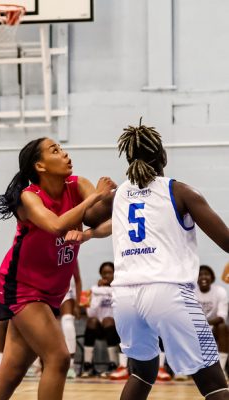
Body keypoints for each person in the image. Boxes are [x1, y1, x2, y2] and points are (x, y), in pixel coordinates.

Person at [86, 120, 229, 400]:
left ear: (129, 160)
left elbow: (88, 217)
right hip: (169, 292)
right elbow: (226, 241)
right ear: (163, 156)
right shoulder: (180, 191)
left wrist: (102, 194)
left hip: (125, 297)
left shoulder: (118, 196)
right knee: (214, 382)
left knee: (143, 371)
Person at [0, 137, 116, 400]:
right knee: (59, 358)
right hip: (21, 287)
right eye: (56, 150)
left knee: (11, 375)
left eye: (63, 148)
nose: (65, 154)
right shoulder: (28, 198)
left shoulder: (78, 185)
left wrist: (107, 206)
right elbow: (55, 225)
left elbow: (110, 220)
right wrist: (97, 197)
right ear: (40, 165)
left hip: (51, 292)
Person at [80, 261, 120, 379]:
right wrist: (98, 294)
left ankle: (113, 364)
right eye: (104, 273)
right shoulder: (96, 291)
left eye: (109, 273)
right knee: (92, 321)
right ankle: (88, 365)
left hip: (116, 329)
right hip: (100, 329)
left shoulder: (119, 289)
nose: (106, 276)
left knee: (108, 320)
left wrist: (106, 290)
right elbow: (91, 313)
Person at [196, 265, 228, 376]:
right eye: (200, 275)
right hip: (194, 328)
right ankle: (183, 371)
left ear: (212, 277)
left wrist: (205, 324)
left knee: (223, 327)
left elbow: (222, 316)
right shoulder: (190, 291)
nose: (203, 277)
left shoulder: (220, 291)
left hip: (213, 327)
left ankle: (221, 369)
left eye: (206, 274)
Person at [59, 262, 82, 379]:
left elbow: (77, 280)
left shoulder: (69, 247)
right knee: (39, 325)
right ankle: (36, 365)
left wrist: (78, 304)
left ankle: (71, 365)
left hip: (65, 291)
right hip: (45, 290)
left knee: (68, 322)